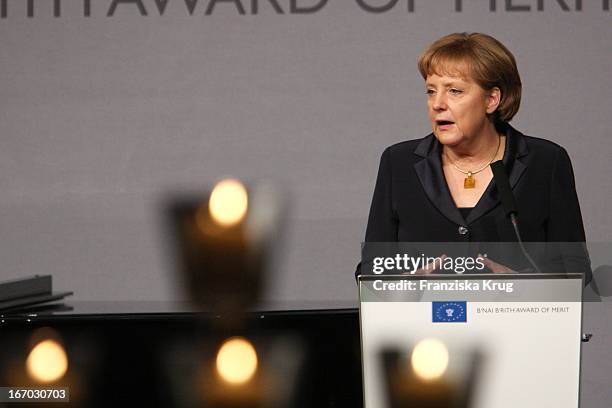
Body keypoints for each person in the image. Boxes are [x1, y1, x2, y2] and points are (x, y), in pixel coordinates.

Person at [359, 32, 590, 280]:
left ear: (491, 99)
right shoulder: (399, 162)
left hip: (511, 318)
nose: (437, 104)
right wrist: (408, 282)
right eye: (430, 91)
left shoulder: (545, 162)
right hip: (422, 316)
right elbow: (372, 268)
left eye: (454, 91)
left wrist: (522, 286)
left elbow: (575, 267)